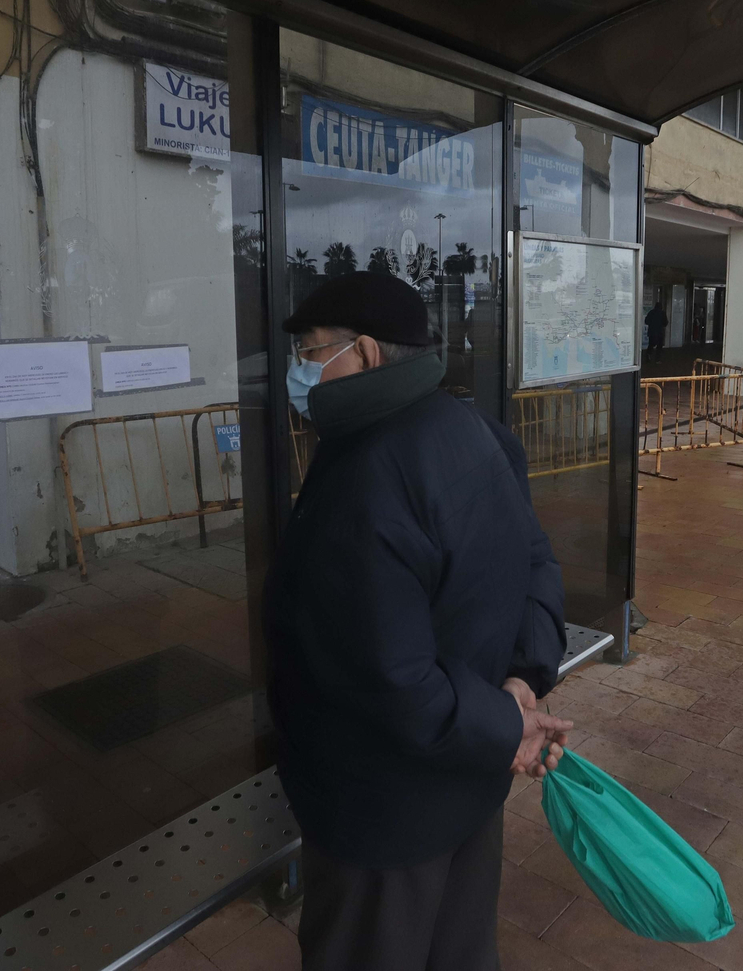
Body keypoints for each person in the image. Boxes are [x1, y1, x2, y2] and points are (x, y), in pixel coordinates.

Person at [266, 272, 572, 971]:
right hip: (468, 785)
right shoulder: (478, 433)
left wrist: (508, 722)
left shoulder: (364, 477)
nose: (298, 372)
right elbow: (536, 566)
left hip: (382, 815)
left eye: (311, 353)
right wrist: (523, 682)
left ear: (367, 355)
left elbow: (390, 679)